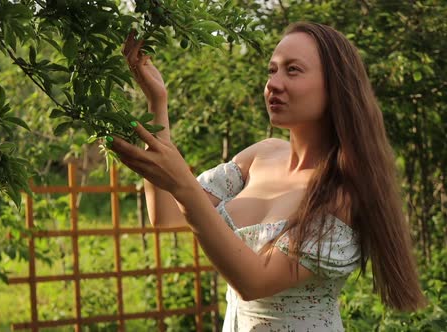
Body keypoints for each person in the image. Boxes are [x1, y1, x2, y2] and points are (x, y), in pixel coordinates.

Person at [109, 22, 426, 331]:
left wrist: (183, 184)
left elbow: (254, 281)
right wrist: (157, 102)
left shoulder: (340, 194)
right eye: (271, 70)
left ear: (335, 86)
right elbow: (165, 214)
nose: (273, 83)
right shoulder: (259, 156)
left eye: (293, 70)